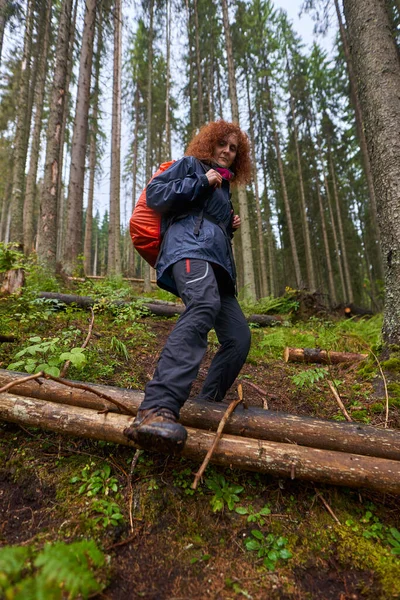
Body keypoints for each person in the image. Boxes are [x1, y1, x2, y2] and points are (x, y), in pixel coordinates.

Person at [124, 120, 252, 453]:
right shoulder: (190, 166)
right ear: (210, 144)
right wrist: (200, 181)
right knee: (203, 305)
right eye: (222, 144)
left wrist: (230, 225)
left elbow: (209, 223)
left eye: (233, 148)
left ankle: (204, 405)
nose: (226, 151)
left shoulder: (225, 188)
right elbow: (157, 195)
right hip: (187, 251)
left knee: (239, 337)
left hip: (219, 266)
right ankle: (155, 409)